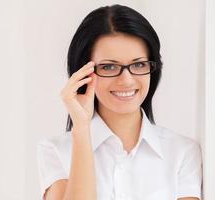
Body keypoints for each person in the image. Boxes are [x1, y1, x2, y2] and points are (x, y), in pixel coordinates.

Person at [37, 4, 202, 200]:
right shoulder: (56, 150)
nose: (126, 80)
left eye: (139, 64)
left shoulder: (182, 152)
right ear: (84, 73)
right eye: (109, 67)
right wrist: (81, 128)